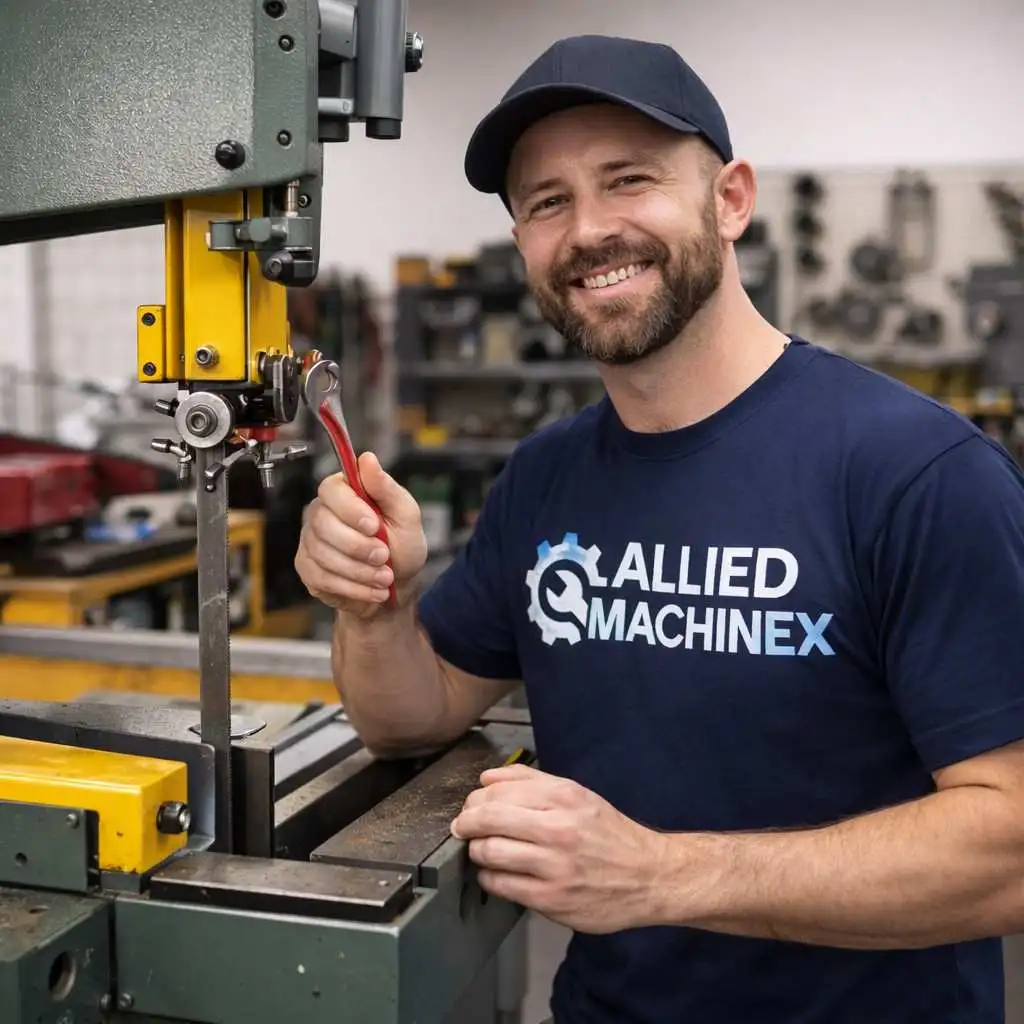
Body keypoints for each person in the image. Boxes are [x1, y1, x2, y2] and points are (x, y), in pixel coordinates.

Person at [295, 33, 1024, 1024]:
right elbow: (408, 716)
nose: (589, 229)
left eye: (627, 180)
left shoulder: (915, 474)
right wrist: (375, 602)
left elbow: (1010, 844)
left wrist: (657, 875)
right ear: (524, 245)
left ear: (729, 200)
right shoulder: (545, 478)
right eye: (546, 202)